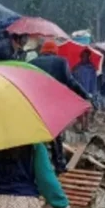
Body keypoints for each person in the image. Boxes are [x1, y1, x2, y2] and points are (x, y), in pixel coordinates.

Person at [30, 40, 91, 174]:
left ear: (43, 51)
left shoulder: (32, 63)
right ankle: (59, 166)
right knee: (55, 135)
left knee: (38, 137)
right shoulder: (61, 62)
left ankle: (37, 167)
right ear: (54, 51)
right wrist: (85, 94)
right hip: (53, 105)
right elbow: (70, 82)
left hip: (36, 105)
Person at [72, 49, 98, 131]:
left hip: (87, 92)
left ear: (88, 57)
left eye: (86, 56)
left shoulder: (92, 68)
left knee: (87, 110)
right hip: (78, 92)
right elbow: (72, 80)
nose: (84, 58)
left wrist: (93, 92)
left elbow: (93, 81)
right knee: (79, 110)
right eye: (83, 56)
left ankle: (85, 126)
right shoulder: (76, 68)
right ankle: (80, 125)